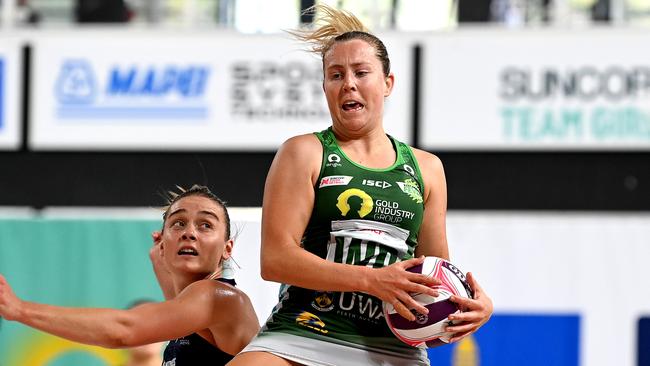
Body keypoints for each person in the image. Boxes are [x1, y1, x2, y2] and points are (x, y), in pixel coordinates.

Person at [227, 5, 493, 366]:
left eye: (361, 72)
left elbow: (435, 274)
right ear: (325, 87)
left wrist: (469, 308)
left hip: (394, 349)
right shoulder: (304, 152)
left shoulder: (427, 168)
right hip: (303, 332)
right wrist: (370, 280)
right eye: (335, 75)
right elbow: (275, 260)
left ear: (388, 83)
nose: (348, 83)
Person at [0, 185, 259, 366]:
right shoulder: (194, 309)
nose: (189, 232)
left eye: (205, 225)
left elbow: (124, 331)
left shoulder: (220, 297)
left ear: (227, 249)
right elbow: (181, 306)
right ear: (163, 244)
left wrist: (20, 310)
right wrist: (161, 263)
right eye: (178, 223)